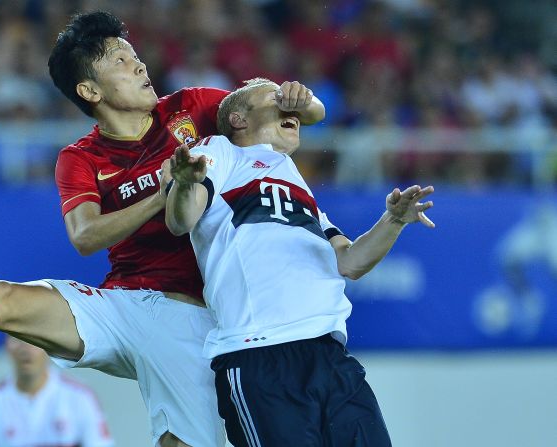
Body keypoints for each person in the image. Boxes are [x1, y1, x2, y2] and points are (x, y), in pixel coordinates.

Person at [0, 11, 324, 447]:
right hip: (120, 307)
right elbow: (84, 237)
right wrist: (162, 191)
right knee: (3, 299)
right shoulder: (79, 159)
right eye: (122, 62)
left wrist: (306, 103)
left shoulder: (192, 107)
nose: (140, 66)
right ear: (90, 89)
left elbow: (282, 111)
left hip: (191, 320)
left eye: (136, 56)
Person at [165, 78, 435, 446]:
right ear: (239, 119)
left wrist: (394, 221)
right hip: (260, 355)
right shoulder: (222, 152)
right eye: (273, 99)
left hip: (330, 356)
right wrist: (183, 185)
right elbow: (181, 220)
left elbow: (351, 262)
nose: (288, 107)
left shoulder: (299, 189)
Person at [0, 336, 113, 447]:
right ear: (6, 345)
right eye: (17, 338)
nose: (26, 348)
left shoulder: (80, 398)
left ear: (49, 346)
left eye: (33, 339)